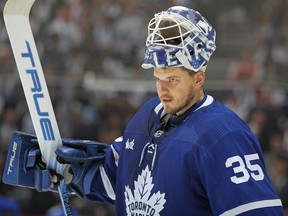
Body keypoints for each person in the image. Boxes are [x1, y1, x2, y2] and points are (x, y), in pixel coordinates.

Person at [2, 6, 284, 216]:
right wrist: (70, 170)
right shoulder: (148, 115)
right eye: (158, 78)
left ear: (198, 78)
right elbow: (118, 181)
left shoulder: (224, 135)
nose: (162, 89)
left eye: (172, 79)